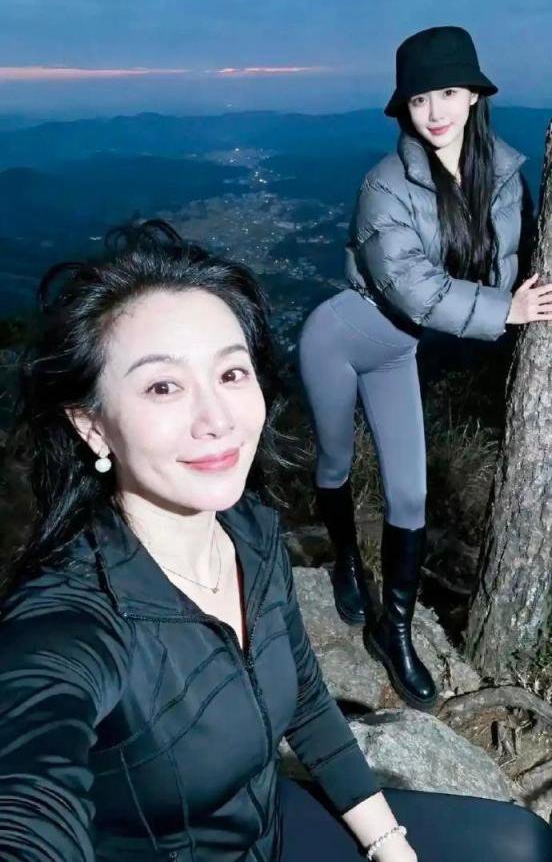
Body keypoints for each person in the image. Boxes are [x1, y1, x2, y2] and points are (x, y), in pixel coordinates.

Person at [0, 220, 550, 862]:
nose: (217, 418)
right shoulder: (72, 622)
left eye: (231, 374)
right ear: (92, 426)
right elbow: (29, 796)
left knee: (520, 844)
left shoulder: (251, 529)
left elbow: (308, 702)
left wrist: (388, 843)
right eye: (162, 387)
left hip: (274, 830)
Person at [298, 26, 550, 711]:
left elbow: (512, 263)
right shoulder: (383, 185)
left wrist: (511, 300)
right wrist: (506, 310)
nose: (434, 111)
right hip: (339, 337)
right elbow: (411, 288)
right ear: (404, 109)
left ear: (473, 96)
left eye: (446, 93)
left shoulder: (504, 177)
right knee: (334, 461)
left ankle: (396, 633)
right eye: (418, 99)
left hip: (399, 354)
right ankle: (345, 562)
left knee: (409, 496)